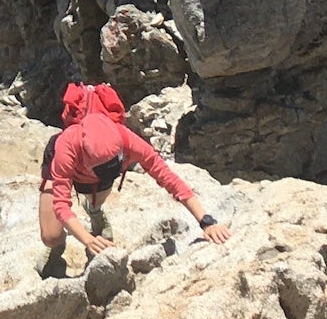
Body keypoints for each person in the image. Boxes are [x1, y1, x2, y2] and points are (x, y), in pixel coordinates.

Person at [40, 82, 230, 260]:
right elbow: (61, 204)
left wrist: (206, 221)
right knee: (50, 236)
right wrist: (86, 239)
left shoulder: (127, 139)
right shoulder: (65, 148)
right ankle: (58, 249)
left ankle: (95, 211)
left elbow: (168, 178)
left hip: (94, 173)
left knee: (95, 199)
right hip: (67, 163)